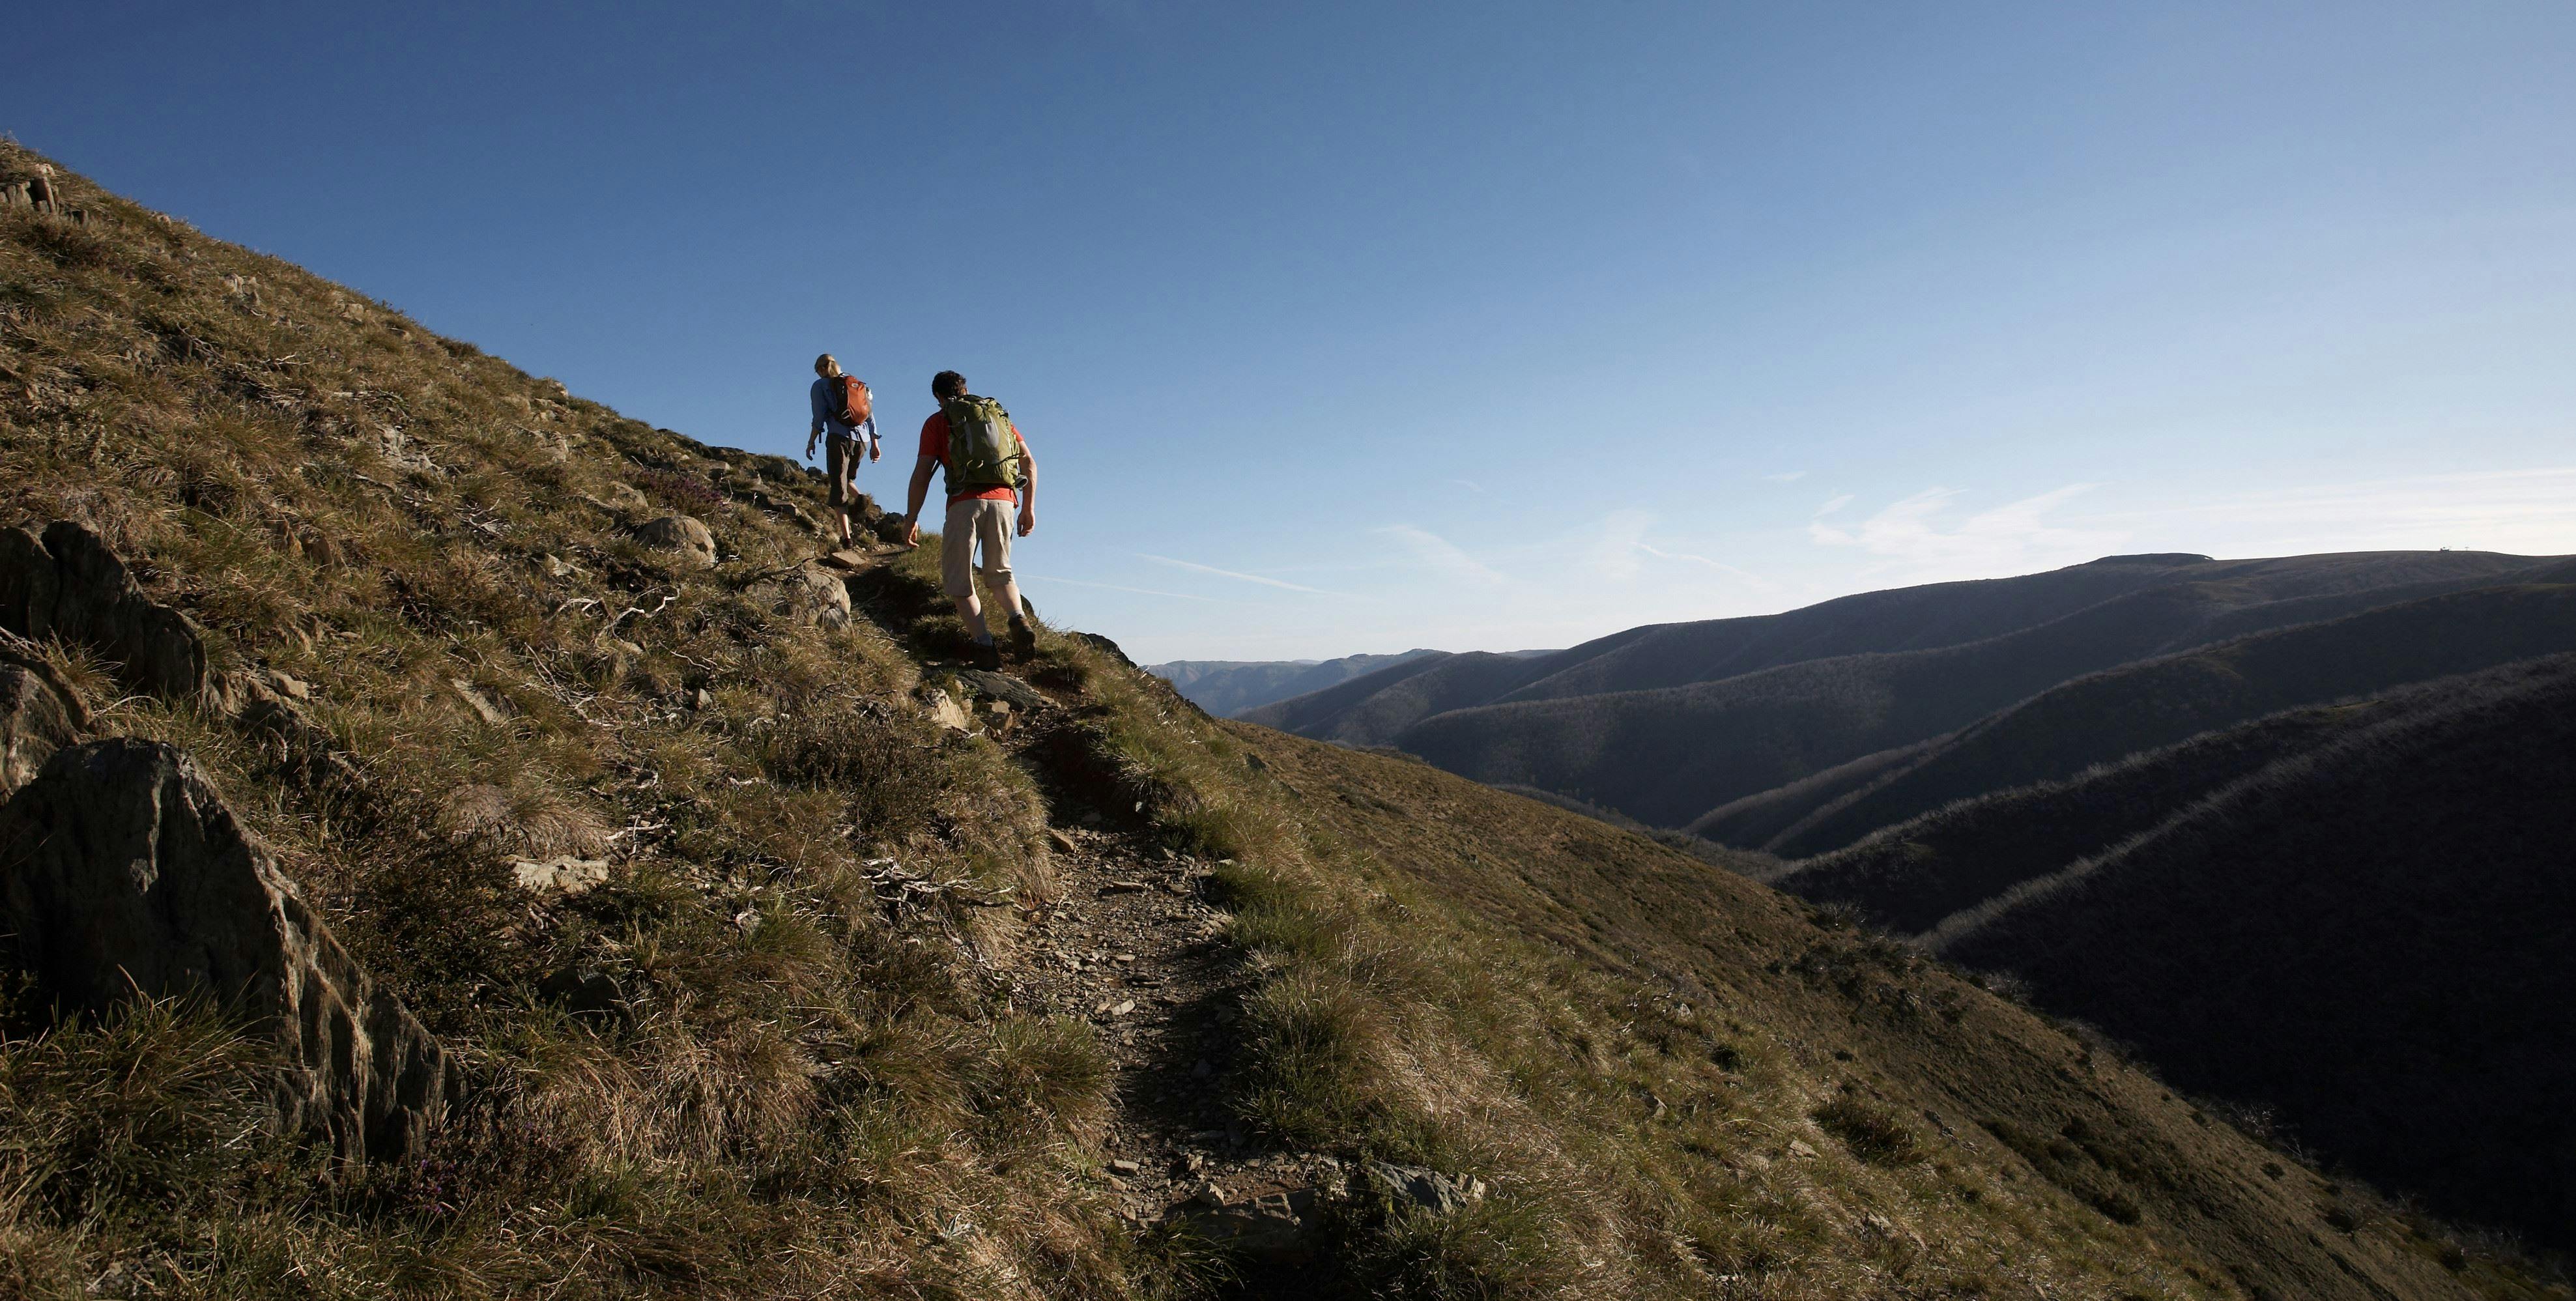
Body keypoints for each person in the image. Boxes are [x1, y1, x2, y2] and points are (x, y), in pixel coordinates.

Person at [904, 370, 1036, 668]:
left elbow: (922, 472)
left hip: (965, 504)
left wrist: (911, 517)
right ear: (964, 389)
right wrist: (1028, 508)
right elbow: (1028, 461)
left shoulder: (938, 422)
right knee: (1001, 574)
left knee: (960, 581)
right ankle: (1018, 619)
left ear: (938, 397)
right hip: (1005, 502)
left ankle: (985, 649)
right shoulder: (995, 417)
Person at [805, 354, 880, 546]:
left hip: (839, 438)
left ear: (821, 369)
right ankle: (861, 498)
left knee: (838, 484)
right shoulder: (857, 384)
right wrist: (875, 445)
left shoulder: (820, 386)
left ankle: (846, 538)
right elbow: (869, 415)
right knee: (848, 479)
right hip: (862, 441)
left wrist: (811, 441)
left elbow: (819, 417)